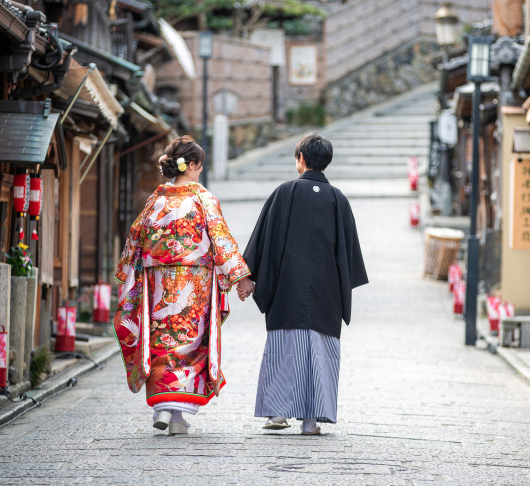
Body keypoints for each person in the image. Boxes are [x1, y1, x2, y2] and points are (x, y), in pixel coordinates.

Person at [114, 136, 254, 435]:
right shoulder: (203, 199)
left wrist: (129, 274)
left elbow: (134, 242)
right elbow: (222, 241)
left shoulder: (156, 200)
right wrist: (241, 278)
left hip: (159, 283)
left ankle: (162, 407)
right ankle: (178, 418)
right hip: (195, 284)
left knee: (162, 342)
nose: (200, 172)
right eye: (199, 166)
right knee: (189, 344)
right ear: (191, 165)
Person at [238, 133, 368, 435]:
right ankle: (311, 420)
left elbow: (263, 241)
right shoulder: (339, 200)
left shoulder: (284, 193)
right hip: (326, 294)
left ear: (301, 160)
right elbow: (349, 258)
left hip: (286, 288)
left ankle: (277, 414)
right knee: (320, 352)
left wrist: (249, 278)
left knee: (284, 347)